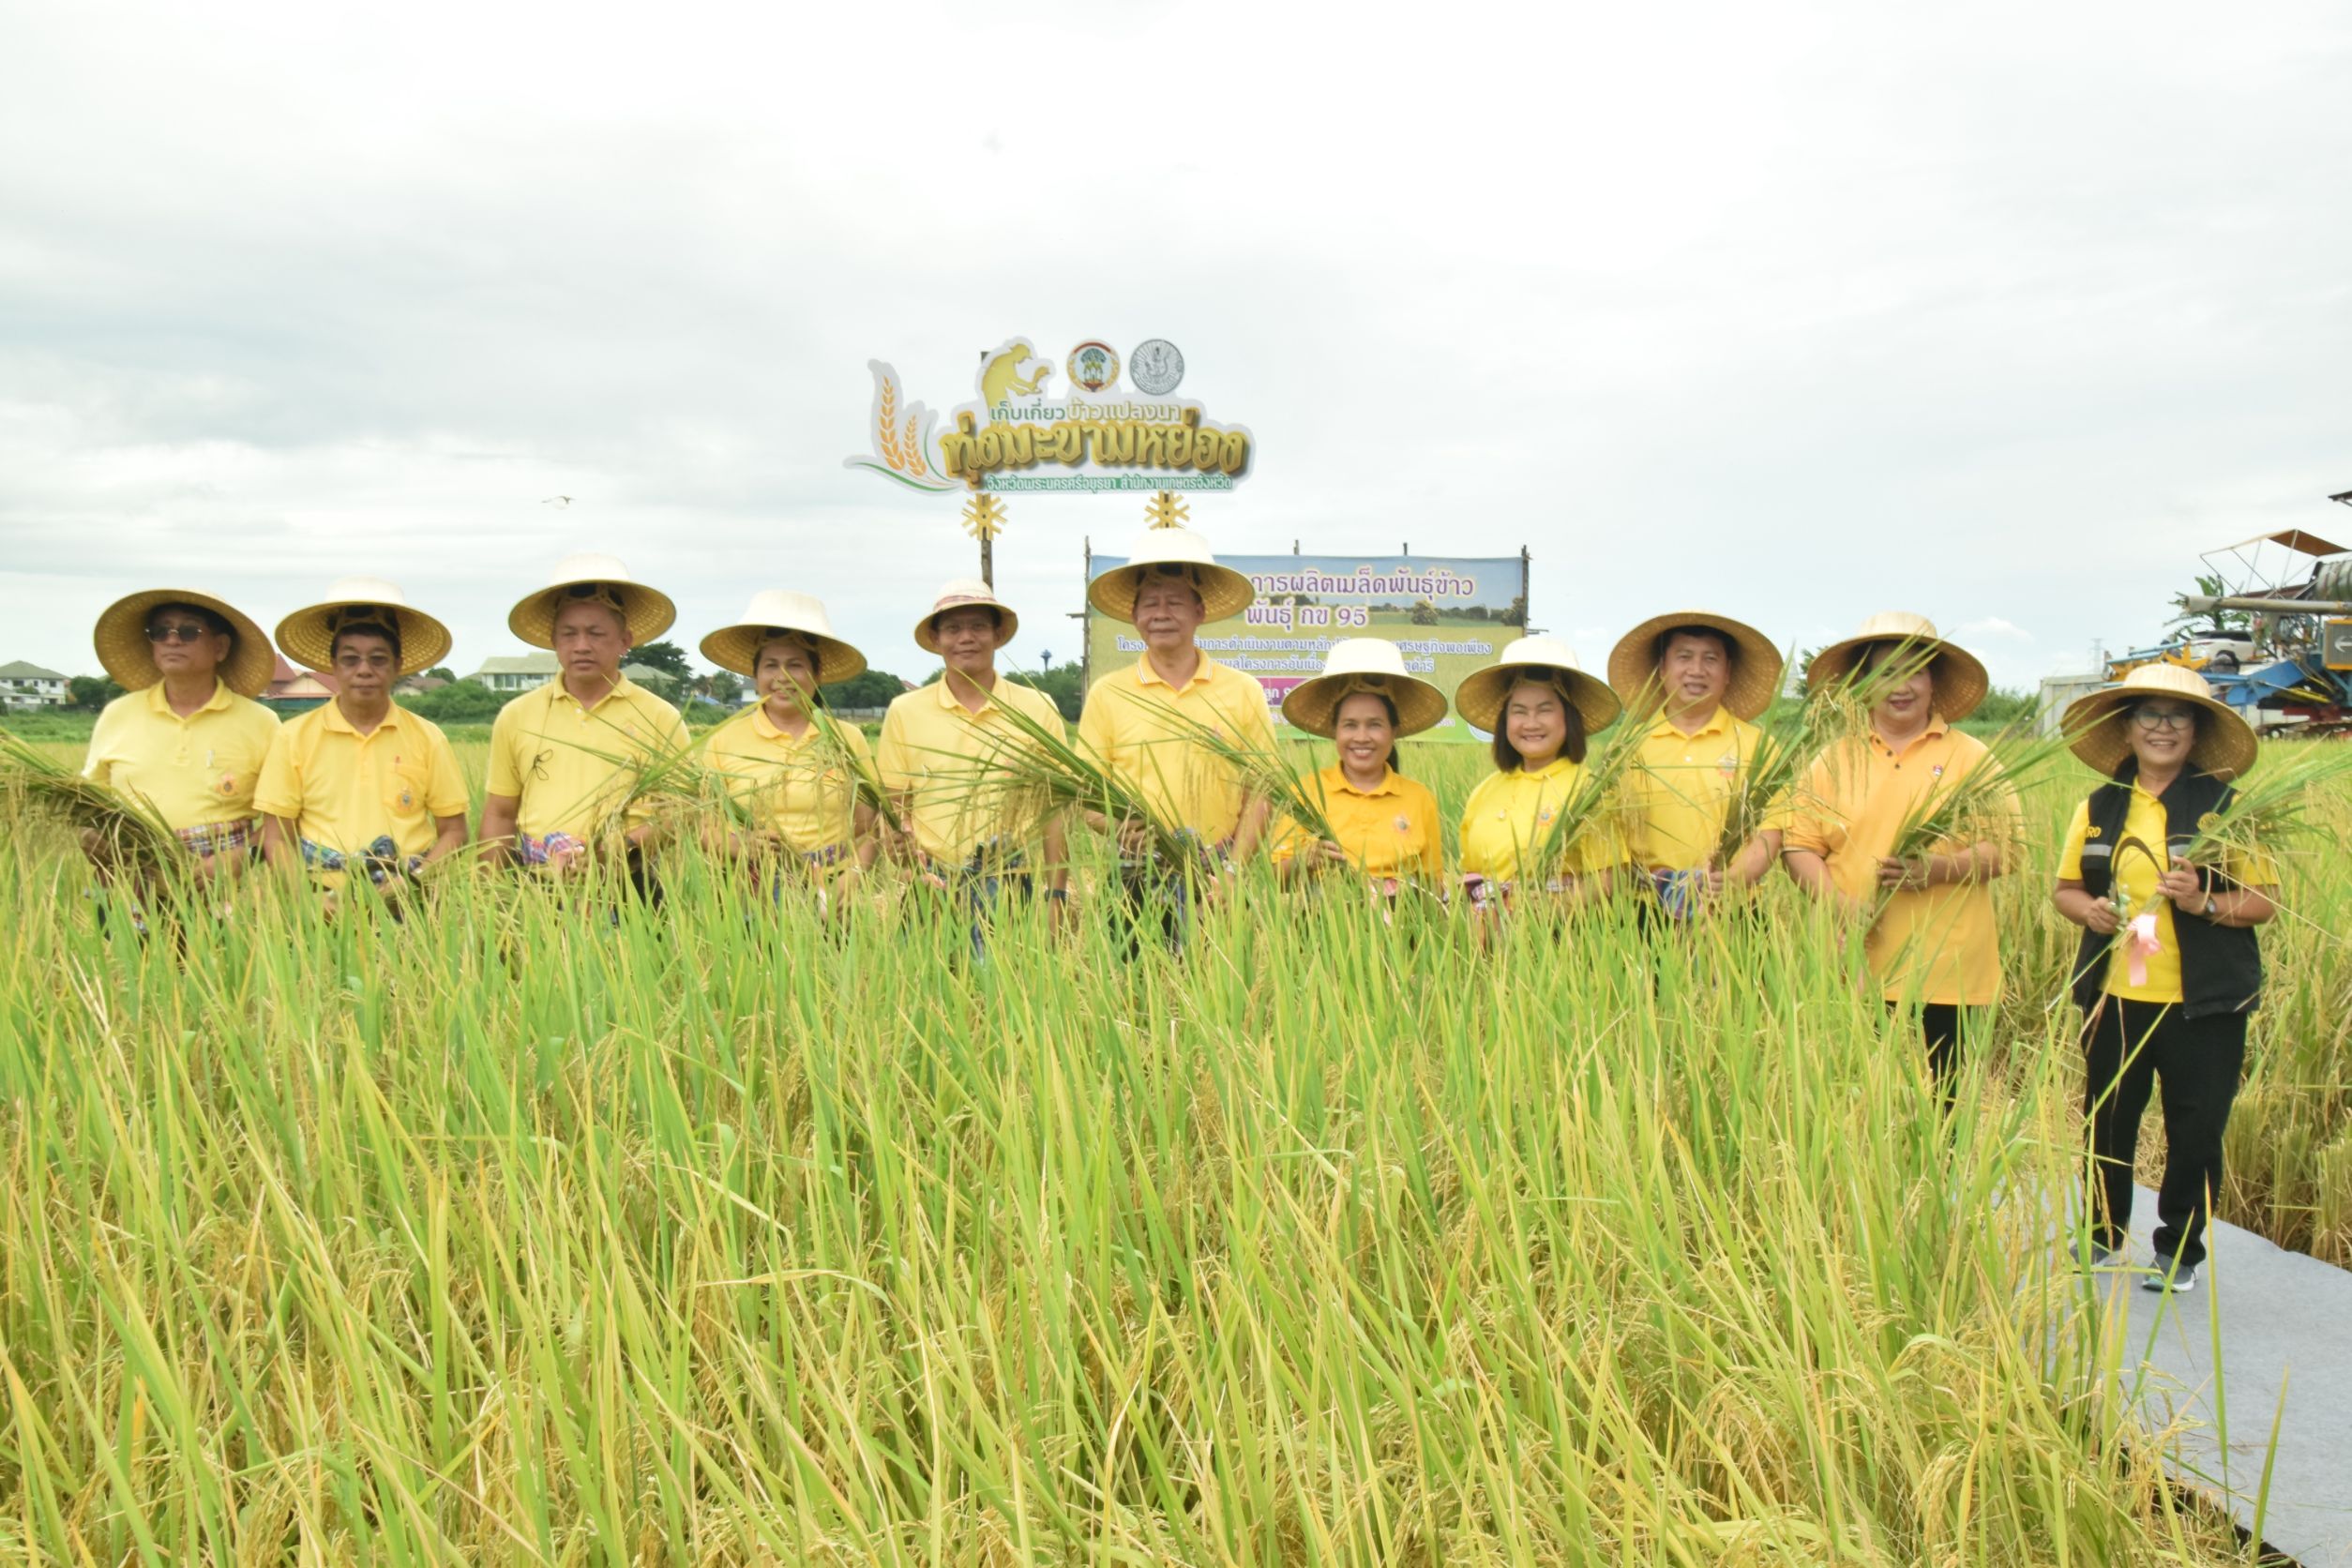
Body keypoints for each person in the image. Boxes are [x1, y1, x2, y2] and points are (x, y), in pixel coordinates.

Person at [2053, 664, 2275, 1293]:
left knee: (2196, 1127)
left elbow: (2264, 903)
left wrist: (2203, 901)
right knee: (2108, 1118)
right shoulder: (2098, 807)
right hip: (2118, 993)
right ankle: (2102, 1233)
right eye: (2148, 714)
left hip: (2204, 1001)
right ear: (2126, 729)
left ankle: (2179, 1250)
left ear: (2197, 730)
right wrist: (2089, 910)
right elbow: (2066, 890)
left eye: (2177, 716)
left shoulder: (2227, 809)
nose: (2162, 727)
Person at [1782, 612, 2013, 1085]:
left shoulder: (1971, 757)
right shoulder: (1832, 760)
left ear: (1934, 681)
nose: (1900, 686)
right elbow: (1799, 847)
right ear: (1862, 683)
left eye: (1916, 670)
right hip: (1854, 965)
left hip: (1952, 972)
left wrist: (1936, 869)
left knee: (1945, 1117)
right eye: (1885, 672)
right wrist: (1840, 904)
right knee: (1857, 1113)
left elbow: (2005, 852)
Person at [1078, 519, 1273, 945]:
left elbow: (1261, 791)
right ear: (1133, 615)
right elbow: (1086, 797)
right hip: (1133, 875)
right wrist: (1116, 824)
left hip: (1217, 875)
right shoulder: (1108, 693)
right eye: (1149, 603)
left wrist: (1234, 871)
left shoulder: (1243, 691)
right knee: (1131, 999)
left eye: (1175, 603)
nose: (1161, 614)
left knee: (1219, 998)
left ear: (1200, 611)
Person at [876, 580, 1070, 945]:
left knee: (1015, 992)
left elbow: (1054, 810)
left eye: (978, 626)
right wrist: (911, 869)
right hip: (932, 886)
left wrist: (1055, 896)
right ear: (936, 639)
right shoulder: (905, 711)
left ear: (997, 635)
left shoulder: (1036, 707)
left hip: (1013, 879)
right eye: (953, 628)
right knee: (924, 992)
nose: (966, 637)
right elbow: (895, 809)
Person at [481, 553, 690, 880]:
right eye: (569, 634)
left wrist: (609, 852)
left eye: (596, 633)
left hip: (628, 883)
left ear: (625, 641)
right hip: (536, 880)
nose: (581, 646)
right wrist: (490, 891)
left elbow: (678, 814)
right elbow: (500, 813)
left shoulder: (660, 717)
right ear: (553, 641)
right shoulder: (516, 716)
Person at [255, 579, 469, 895]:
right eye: (351, 659)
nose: (364, 670)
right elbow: (276, 837)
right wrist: (307, 902)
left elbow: (454, 831)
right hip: (318, 893)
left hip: (409, 893)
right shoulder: (293, 737)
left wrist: (415, 880)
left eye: (378, 659)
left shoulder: (428, 737)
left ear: (398, 666)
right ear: (333, 666)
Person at [83, 588, 280, 882]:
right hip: (128, 878)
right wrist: (89, 835)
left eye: (189, 631)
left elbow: (285, 814)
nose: (172, 640)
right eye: (160, 631)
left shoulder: (261, 722)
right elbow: (87, 800)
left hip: (221, 885)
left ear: (221, 647)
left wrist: (240, 857)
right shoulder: (118, 714)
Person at [1606, 611, 1785, 919]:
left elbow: (1771, 831)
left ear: (1728, 671)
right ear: (1662, 668)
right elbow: (1610, 833)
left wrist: (1730, 882)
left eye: (1711, 659)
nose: (1696, 670)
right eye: (1684, 657)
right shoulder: (1627, 749)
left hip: (1736, 910)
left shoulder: (1758, 746)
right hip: (1645, 911)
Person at [698, 591, 879, 890]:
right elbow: (704, 828)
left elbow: (870, 828)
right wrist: (741, 846)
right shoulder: (724, 740)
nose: (782, 677)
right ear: (755, 676)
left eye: (795, 665)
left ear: (817, 673)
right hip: (751, 889)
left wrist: (854, 877)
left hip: (834, 889)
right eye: (770, 665)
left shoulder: (846, 739)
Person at [1451, 636, 1625, 913]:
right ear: (1505, 721)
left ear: (1567, 717)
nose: (1531, 723)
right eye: (1519, 711)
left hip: (1558, 941)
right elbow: (1470, 875)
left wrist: (1549, 909)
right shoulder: (1484, 792)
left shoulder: (1589, 789)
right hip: (1486, 943)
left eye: (1545, 710)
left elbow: (1610, 877)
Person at [1270, 639, 1446, 897]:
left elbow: (1433, 885)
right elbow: (1273, 878)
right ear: (1335, 730)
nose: (1361, 737)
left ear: (1393, 731)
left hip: (1401, 926)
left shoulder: (1419, 798)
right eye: (1350, 725)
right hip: (1324, 924)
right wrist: (1305, 859)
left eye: (1375, 725)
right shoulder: (1306, 791)